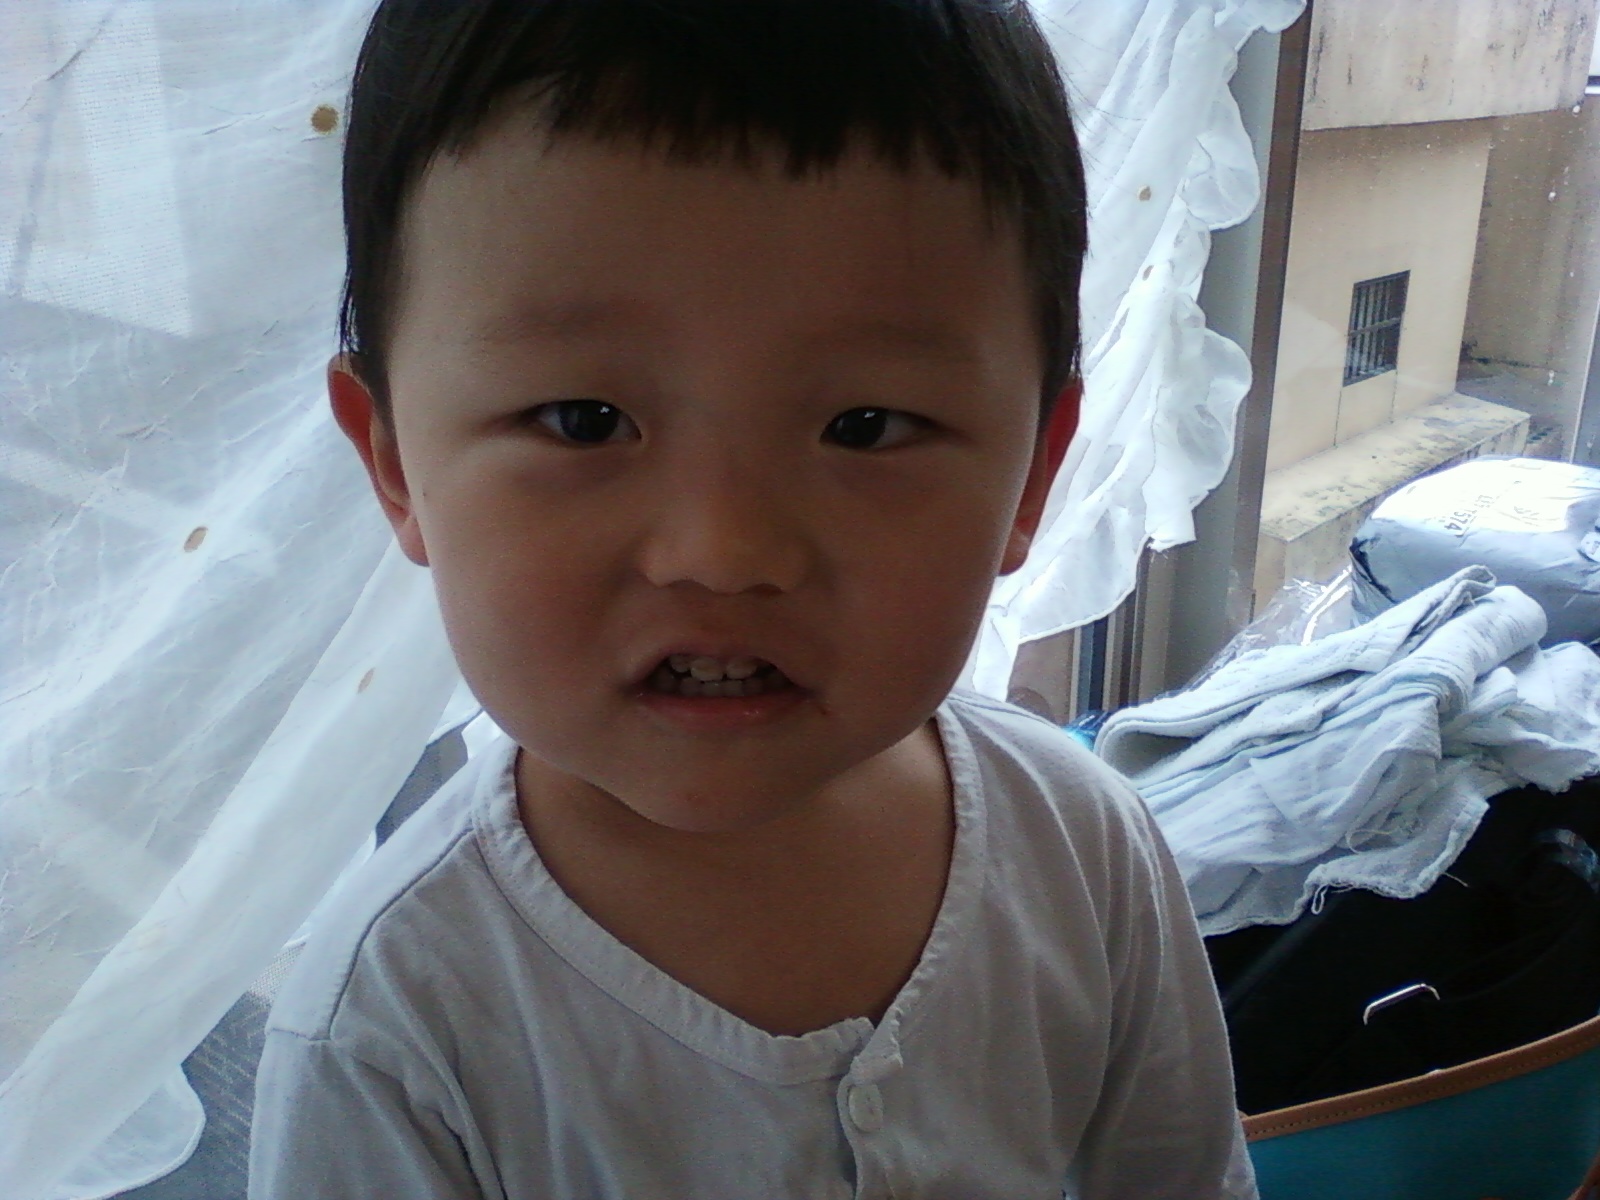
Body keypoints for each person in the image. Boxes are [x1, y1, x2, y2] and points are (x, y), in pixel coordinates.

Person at [248, 1, 1256, 1196]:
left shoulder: (1083, 852)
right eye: (583, 420)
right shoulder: (392, 1023)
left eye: (864, 426)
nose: (723, 553)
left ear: (1032, 474)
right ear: (395, 464)